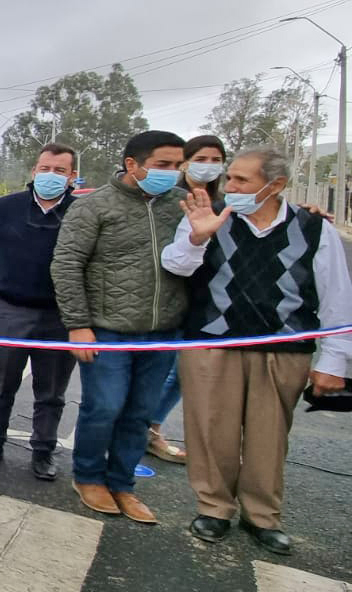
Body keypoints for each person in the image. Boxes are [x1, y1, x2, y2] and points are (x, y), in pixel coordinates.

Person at [162, 147, 352, 555]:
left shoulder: (315, 231)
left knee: (269, 436)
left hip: (283, 349)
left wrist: (334, 361)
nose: (230, 187)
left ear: (276, 185)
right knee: (212, 430)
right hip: (214, 344)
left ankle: (262, 516)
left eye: (242, 181)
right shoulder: (209, 217)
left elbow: (338, 299)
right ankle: (214, 508)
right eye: (229, 179)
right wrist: (198, 235)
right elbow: (176, 265)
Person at [52, 130, 189, 525]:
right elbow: (66, 265)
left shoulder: (182, 205)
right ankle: (89, 476)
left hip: (162, 330)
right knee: (106, 406)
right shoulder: (94, 207)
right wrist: (78, 325)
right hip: (107, 329)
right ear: (133, 164)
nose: (173, 173)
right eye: (163, 165)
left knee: (139, 412)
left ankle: (123, 483)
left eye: (177, 165)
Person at [0, 143, 81, 481]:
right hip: (11, 311)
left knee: (51, 392)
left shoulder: (81, 213)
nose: (51, 176)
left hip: (60, 316)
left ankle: (43, 451)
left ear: (72, 176)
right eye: (45, 169)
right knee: (1, 384)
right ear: (33, 172)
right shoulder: (6, 207)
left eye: (59, 171)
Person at [148, 135, 227, 465]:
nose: (208, 166)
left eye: (215, 159)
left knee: (184, 374)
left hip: (210, 302)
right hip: (167, 297)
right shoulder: (167, 200)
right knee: (162, 369)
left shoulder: (226, 204)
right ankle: (139, 428)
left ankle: (149, 428)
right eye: (201, 158)